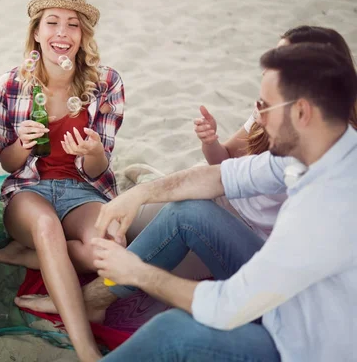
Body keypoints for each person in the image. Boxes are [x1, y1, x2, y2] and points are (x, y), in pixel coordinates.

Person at [23, 42, 357, 361]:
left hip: (299, 345)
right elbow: (218, 176)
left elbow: (226, 305)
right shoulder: (319, 149)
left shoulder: (328, 209)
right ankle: (94, 298)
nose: (258, 118)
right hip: (291, 301)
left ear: (302, 112)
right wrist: (140, 194)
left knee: (173, 331)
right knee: (187, 212)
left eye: (265, 106)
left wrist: (138, 273)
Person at [0, 0, 124, 362]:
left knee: (112, 246)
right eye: (52, 22)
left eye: (73, 24)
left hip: (83, 191)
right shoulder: (11, 85)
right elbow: (6, 163)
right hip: (30, 192)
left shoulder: (106, 83)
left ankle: (18, 256)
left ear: (83, 35)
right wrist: (22, 144)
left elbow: (99, 166)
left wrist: (93, 150)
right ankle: (86, 348)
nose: (62, 33)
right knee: (47, 228)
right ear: (36, 32)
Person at [125, 25, 357, 240]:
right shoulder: (268, 108)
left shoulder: (319, 150)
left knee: (139, 234)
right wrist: (210, 141)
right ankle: (151, 181)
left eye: (280, 61)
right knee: (130, 220)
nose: (268, 68)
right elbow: (223, 161)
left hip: (236, 225)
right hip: (216, 189)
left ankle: (151, 182)